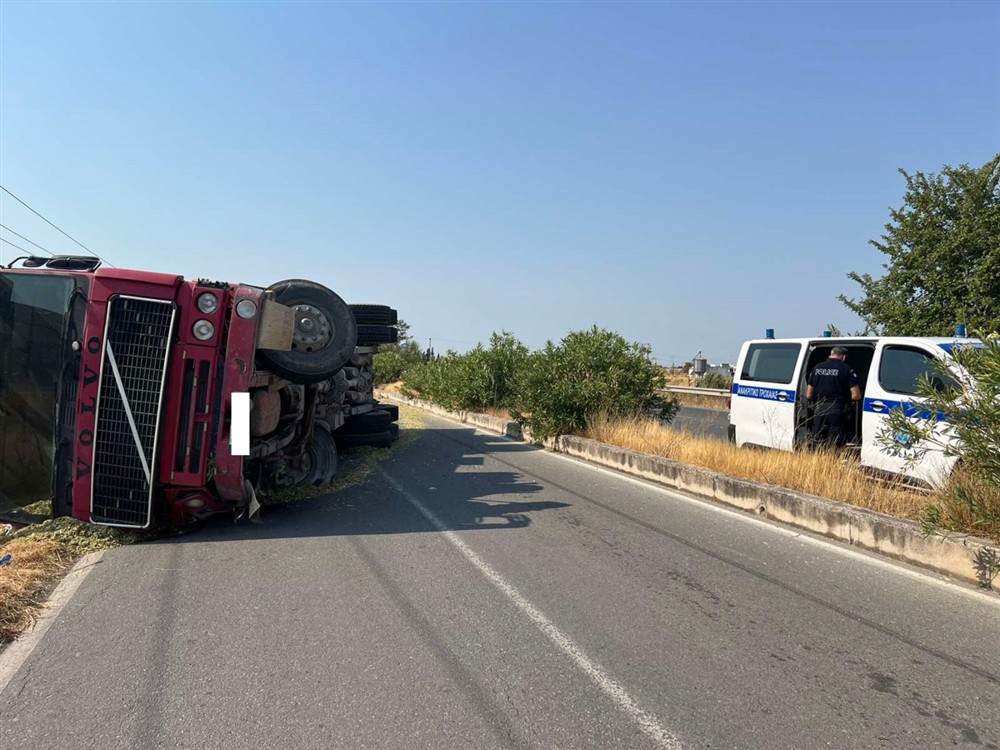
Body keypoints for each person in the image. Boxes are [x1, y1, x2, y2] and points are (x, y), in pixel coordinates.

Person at [806, 346, 861, 447]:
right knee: (835, 443)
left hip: (819, 409)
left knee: (818, 442)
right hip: (836, 410)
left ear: (831, 354)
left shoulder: (817, 368)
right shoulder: (846, 369)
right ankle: (833, 461)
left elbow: (809, 394)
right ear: (844, 357)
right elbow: (856, 395)